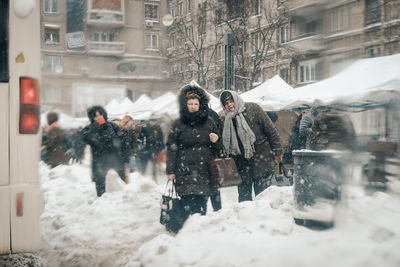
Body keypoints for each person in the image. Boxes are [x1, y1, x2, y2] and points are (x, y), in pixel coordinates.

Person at [166, 85, 222, 220]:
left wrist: (216, 140)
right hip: (184, 170)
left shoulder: (209, 122)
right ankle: (187, 231)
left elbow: (219, 149)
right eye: (190, 103)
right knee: (186, 203)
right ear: (185, 105)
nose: (192, 106)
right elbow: (172, 148)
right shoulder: (178, 123)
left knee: (201, 205)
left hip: (204, 171)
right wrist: (171, 171)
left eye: (195, 104)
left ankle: (198, 232)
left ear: (200, 104)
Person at [219, 90, 283, 202]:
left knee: (263, 197)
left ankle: (264, 218)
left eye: (231, 101)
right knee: (244, 198)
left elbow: (271, 130)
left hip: (261, 158)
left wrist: (278, 151)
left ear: (236, 99)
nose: (229, 105)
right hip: (241, 164)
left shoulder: (253, 109)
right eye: (226, 103)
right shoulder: (225, 119)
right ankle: (245, 218)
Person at [80, 105, 126, 197]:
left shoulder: (112, 126)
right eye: (95, 116)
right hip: (99, 162)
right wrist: (96, 126)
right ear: (92, 117)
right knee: (101, 188)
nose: (99, 117)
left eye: (100, 115)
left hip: (115, 161)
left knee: (118, 187)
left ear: (104, 114)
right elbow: (85, 138)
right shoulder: (89, 128)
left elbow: (122, 139)